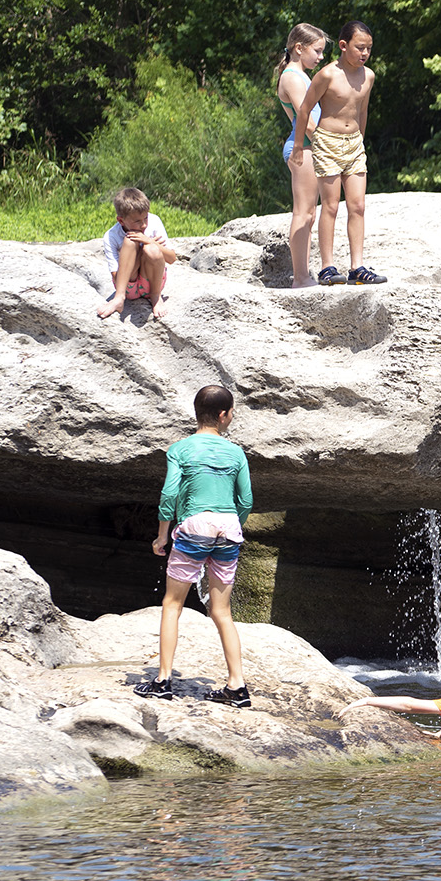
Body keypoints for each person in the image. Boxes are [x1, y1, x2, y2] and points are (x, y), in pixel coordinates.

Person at [135, 385, 255, 707]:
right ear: (223, 415)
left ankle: (162, 680)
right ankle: (237, 686)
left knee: (173, 605)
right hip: (228, 528)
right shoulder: (236, 453)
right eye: (231, 412)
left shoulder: (180, 449)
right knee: (222, 612)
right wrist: (233, 524)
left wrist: (163, 534)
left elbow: (169, 494)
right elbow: (246, 500)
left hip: (194, 527)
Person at [289, 20, 386, 286]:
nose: (364, 53)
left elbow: (362, 110)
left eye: (368, 48)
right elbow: (305, 109)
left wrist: (361, 141)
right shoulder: (328, 74)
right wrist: (299, 146)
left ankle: (357, 267)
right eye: (359, 47)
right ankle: (327, 267)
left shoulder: (368, 76)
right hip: (327, 141)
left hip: (354, 143)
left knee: (358, 205)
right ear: (343, 46)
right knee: (330, 205)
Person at [275, 22, 329, 288]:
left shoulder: (301, 76)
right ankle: (300, 278)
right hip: (304, 147)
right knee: (303, 213)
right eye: (317, 51)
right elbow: (304, 118)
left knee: (310, 213)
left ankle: (305, 274)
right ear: (299, 48)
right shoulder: (291, 77)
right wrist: (330, 144)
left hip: (310, 146)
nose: (320, 57)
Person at [95, 187, 175, 320]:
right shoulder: (111, 236)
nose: (143, 225)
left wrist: (149, 241)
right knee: (130, 241)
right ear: (121, 220)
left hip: (152, 283)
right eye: (137, 221)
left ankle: (156, 297)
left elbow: (172, 258)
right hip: (128, 287)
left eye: (145, 218)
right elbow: (116, 276)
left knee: (152, 250)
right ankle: (119, 298)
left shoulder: (154, 221)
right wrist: (136, 251)